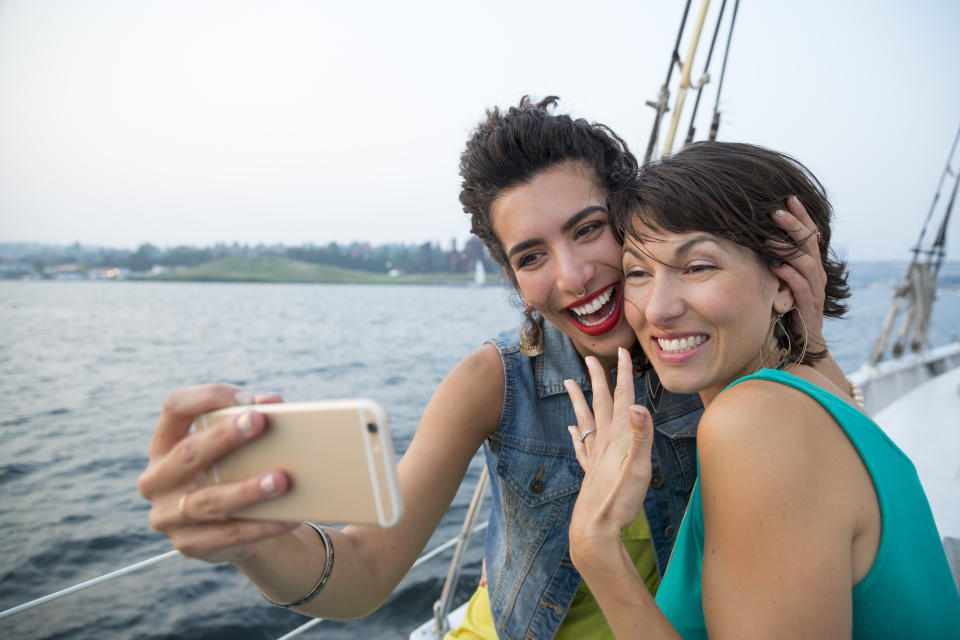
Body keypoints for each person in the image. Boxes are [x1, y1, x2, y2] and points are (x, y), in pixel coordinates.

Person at [137, 99, 845, 640]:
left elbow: (835, 484)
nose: (572, 276)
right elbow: (365, 571)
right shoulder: (495, 380)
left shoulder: (719, 357)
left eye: (589, 229)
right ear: (510, 276)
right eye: (531, 256)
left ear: (634, 220)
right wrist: (257, 541)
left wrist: (805, 342)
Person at [564, 141, 960, 639]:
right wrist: (805, 336)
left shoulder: (754, 423)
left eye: (698, 266)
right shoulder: (817, 391)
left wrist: (594, 546)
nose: (658, 308)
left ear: (783, 283)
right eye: (638, 273)